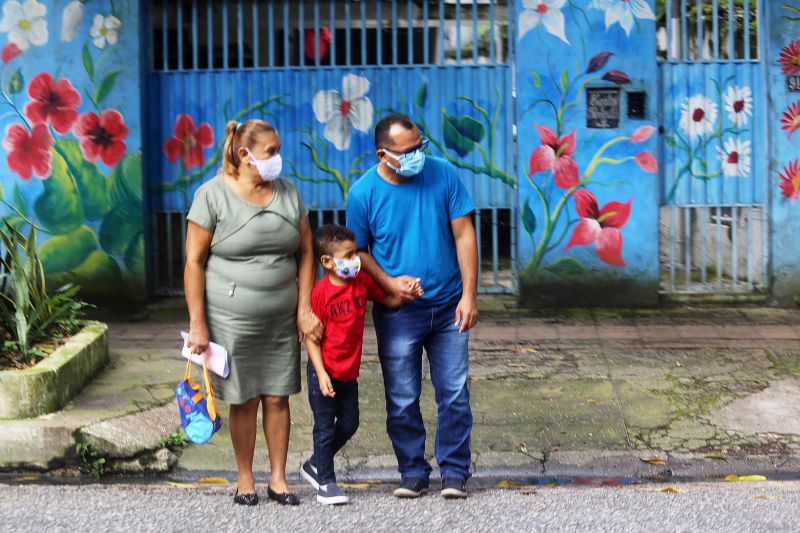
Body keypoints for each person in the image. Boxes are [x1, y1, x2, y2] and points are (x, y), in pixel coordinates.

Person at [184, 119, 322, 506]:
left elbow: (307, 252)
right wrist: (198, 323)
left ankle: (278, 479)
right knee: (244, 399)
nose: (278, 158)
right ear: (245, 154)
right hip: (230, 319)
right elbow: (194, 262)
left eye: (278, 150)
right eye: (271, 152)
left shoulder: (288, 193)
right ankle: (245, 478)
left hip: (281, 318)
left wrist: (304, 307)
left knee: (278, 397)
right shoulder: (211, 195)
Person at [345, 113, 479, 499]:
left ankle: (454, 472)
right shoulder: (363, 193)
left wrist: (470, 295)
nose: (417, 155)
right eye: (408, 151)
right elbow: (357, 251)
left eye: (420, 146)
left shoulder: (443, 173)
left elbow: (464, 234)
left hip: (450, 304)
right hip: (398, 312)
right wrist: (389, 283)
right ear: (383, 155)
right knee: (402, 397)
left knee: (454, 392)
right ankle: (412, 471)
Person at [298, 224, 418, 505]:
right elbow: (312, 339)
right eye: (348, 256)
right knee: (325, 428)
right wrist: (320, 373)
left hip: (348, 374)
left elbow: (388, 298)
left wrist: (408, 292)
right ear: (327, 261)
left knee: (350, 423)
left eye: (355, 254)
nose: (355, 260)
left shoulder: (361, 282)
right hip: (324, 373)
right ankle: (325, 483)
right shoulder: (320, 293)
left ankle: (315, 463)